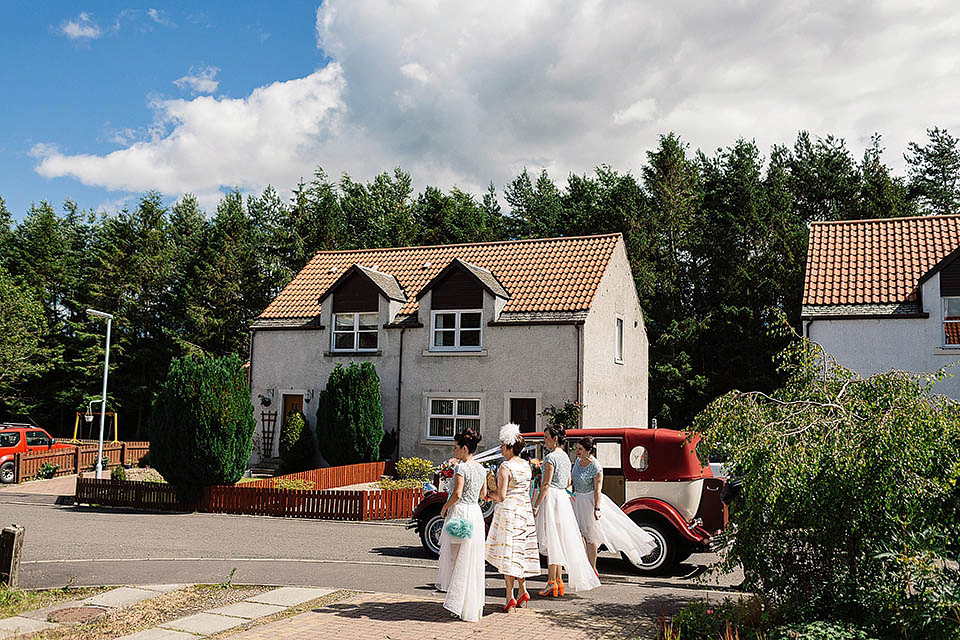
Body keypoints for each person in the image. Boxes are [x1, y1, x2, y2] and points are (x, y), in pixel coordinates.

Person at [532, 424, 601, 596]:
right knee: (558, 540)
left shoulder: (550, 458)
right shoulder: (565, 457)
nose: (545, 441)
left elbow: (546, 484)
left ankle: (552, 581)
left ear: (555, 439)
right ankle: (558, 581)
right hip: (562, 497)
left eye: (546, 437)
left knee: (551, 539)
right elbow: (568, 479)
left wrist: (536, 505)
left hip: (551, 498)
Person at [571, 436, 657, 573]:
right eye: (577, 449)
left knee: (591, 536)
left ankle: (592, 568)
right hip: (577, 500)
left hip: (589, 500)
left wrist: (597, 508)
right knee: (578, 534)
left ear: (588, 451)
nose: (577, 451)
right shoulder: (577, 462)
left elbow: (598, 489)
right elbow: (573, 480)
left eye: (580, 449)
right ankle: (582, 565)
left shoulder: (596, 466)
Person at [485, 423, 540, 611]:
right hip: (524, 511)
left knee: (508, 554)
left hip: (509, 512)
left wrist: (487, 495)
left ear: (509, 446)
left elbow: (501, 496)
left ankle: (509, 596)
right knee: (519, 552)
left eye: (502, 445)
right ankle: (522, 589)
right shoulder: (526, 465)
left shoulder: (505, 467)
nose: (500, 448)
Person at [435, 427, 487, 621]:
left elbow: (456, 494)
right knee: (471, 560)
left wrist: (444, 508)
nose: (453, 450)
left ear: (464, 448)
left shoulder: (461, 468)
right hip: (475, 512)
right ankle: (470, 604)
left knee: (458, 560)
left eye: (456, 447)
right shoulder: (482, 468)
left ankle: (458, 603)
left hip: (461, 513)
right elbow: (483, 495)